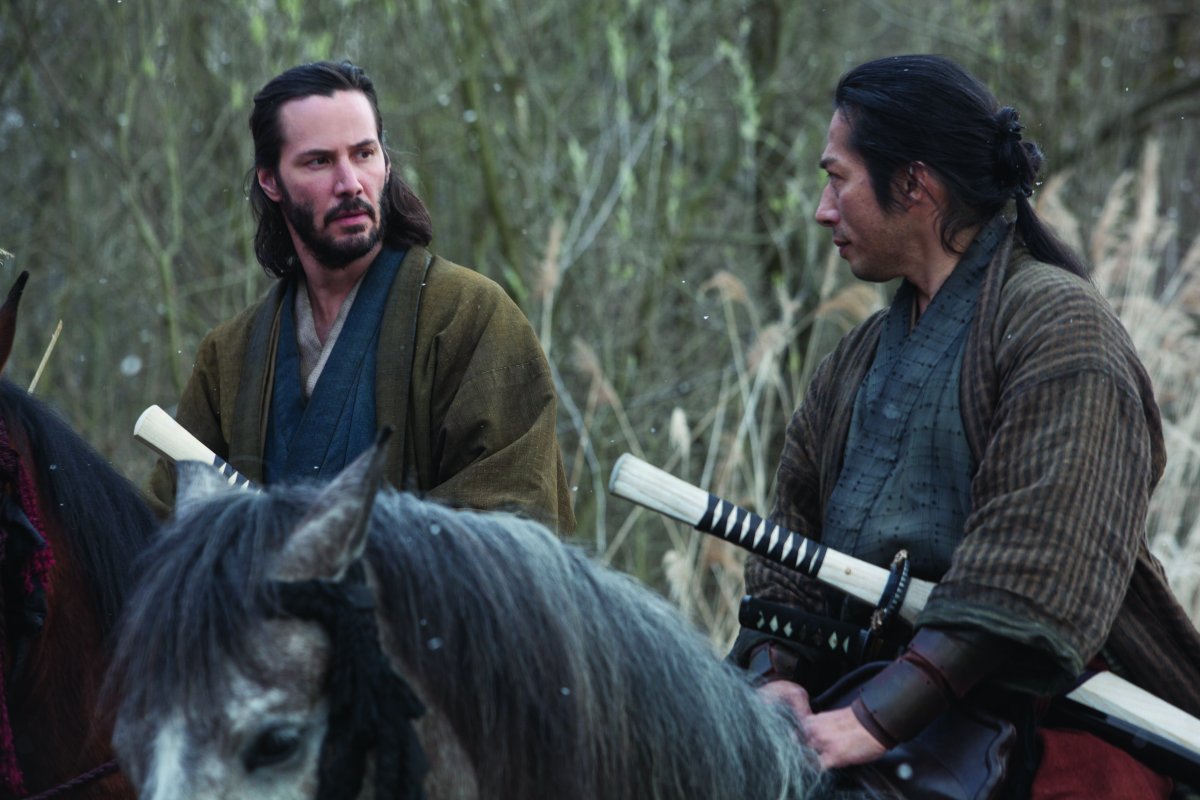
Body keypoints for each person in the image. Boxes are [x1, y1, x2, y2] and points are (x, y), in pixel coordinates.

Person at [731, 54, 1200, 797]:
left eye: (838, 178)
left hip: (1053, 726)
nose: (823, 209)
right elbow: (791, 548)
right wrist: (776, 674)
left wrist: (875, 720)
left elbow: (1035, 558)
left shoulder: (1060, 328)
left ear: (914, 184)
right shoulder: (852, 362)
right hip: (866, 697)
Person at [145, 60, 574, 534]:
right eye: (319, 161)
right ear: (271, 181)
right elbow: (163, 536)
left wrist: (344, 550)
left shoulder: (470, 319)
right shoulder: (228, 357)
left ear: (386, 163)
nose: (350, 183)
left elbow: (513, 524)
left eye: (364, 153)